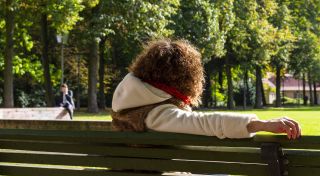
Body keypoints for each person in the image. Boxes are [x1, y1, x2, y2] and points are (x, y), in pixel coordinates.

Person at [111, 39, 301, 139]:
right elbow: (205, 122)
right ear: (187, 78)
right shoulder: (156, 115)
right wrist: (261, 124)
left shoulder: (126, 106)